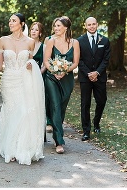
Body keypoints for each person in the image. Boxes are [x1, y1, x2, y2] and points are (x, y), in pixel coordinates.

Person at [0, 13, 45, 165]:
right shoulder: (3, 40)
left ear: (22, 23)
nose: (10, 22)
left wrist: (31, 65)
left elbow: (31, 63)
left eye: (14, 20)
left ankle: (20, 148)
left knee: (23, 112)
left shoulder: (30, 42)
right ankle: (10, 148)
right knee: (11, 112)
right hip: (8, 80)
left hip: (24, 80)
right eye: (10, 20)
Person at [41, 16, 80, 154]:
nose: (56, 28)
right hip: (51, 78)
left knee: (61, 107)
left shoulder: (75, 43)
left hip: (67, 79)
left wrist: (64, 71)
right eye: (55, 26)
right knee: (56, 105)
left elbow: (75, 63)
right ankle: (59, 142)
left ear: (66, 28)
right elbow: (46, 61)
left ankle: (56, 127)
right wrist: (55, 71)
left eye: (58, 26)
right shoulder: (51, 41)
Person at [77, 17, 110, 141]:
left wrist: (97, 72)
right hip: (85, 78)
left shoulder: (105, 40)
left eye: (93, 24)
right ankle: (86, 130)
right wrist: (89, 73)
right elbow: (78, 60)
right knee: (85, 103)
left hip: (100, 77)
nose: (91, 26)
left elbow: (106, 60)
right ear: (85, 26)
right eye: (89, 24)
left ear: (97, 25)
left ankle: (96, 123)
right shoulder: (79, 41)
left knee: (101, 101)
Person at [29, 22, 53, 134]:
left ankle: (39, 133)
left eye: (36, 30)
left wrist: (37, 74)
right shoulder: (25, 44)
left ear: (40, 33)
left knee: (38, 104)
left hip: (39, 78)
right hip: (25, 77)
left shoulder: (43, 47)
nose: (33, 31)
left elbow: (45, 64)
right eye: (32, 29)